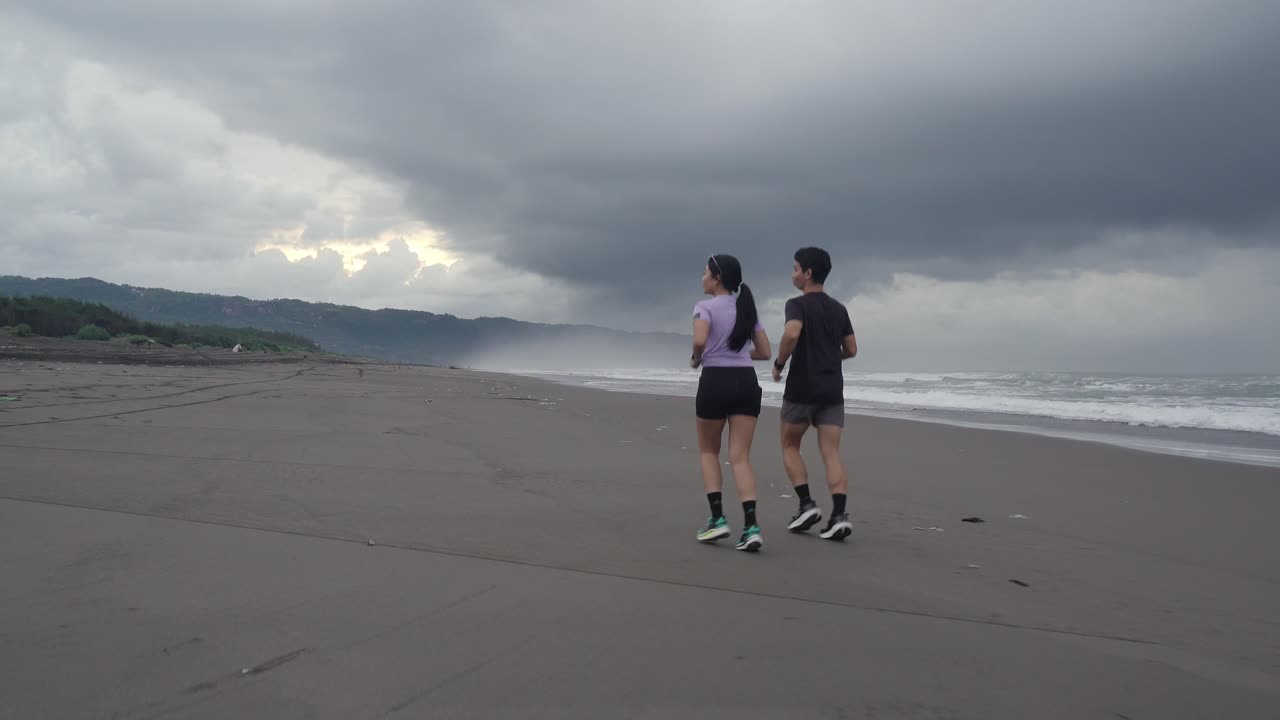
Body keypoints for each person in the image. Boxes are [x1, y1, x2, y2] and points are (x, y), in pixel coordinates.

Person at [770, 247, 858, 541]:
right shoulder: (839, 309)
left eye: (796, 269)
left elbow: (792, 333)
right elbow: (851, 349)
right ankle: (839, 515)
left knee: (789, 445)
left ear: (808, 273)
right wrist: (830, 358)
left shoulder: (797, 305)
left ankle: (807, 504)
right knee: (831, 453)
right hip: (832, 390)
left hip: (802, 388)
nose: (793, 274)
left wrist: (779, 364)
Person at [691, 254, 772, 551]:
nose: (702, 278)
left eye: (705, 273)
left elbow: (700, 341)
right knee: (740, 457)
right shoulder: (746, 308)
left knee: (709, 452)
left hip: (715, 381)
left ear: (717, 278)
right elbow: (765, 352)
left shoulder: (704, 308)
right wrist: (735, 354)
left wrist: (697, 358)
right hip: (745, 382)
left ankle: (717, 520)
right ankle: (751, 527)